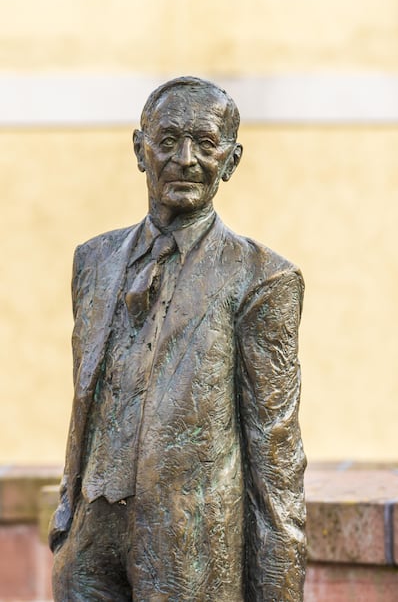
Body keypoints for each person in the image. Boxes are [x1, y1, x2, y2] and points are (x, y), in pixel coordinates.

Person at [49, 76, 306, 601]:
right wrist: (69, 518)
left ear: (231, 161)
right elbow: (88, 400)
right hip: (87, 545)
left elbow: (276, 458)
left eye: (206, 144)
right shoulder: (92, 263)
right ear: (139, 150)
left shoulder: (261, 280)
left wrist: (280, 590)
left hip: (192, 553)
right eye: (167, 141)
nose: (185, 159)